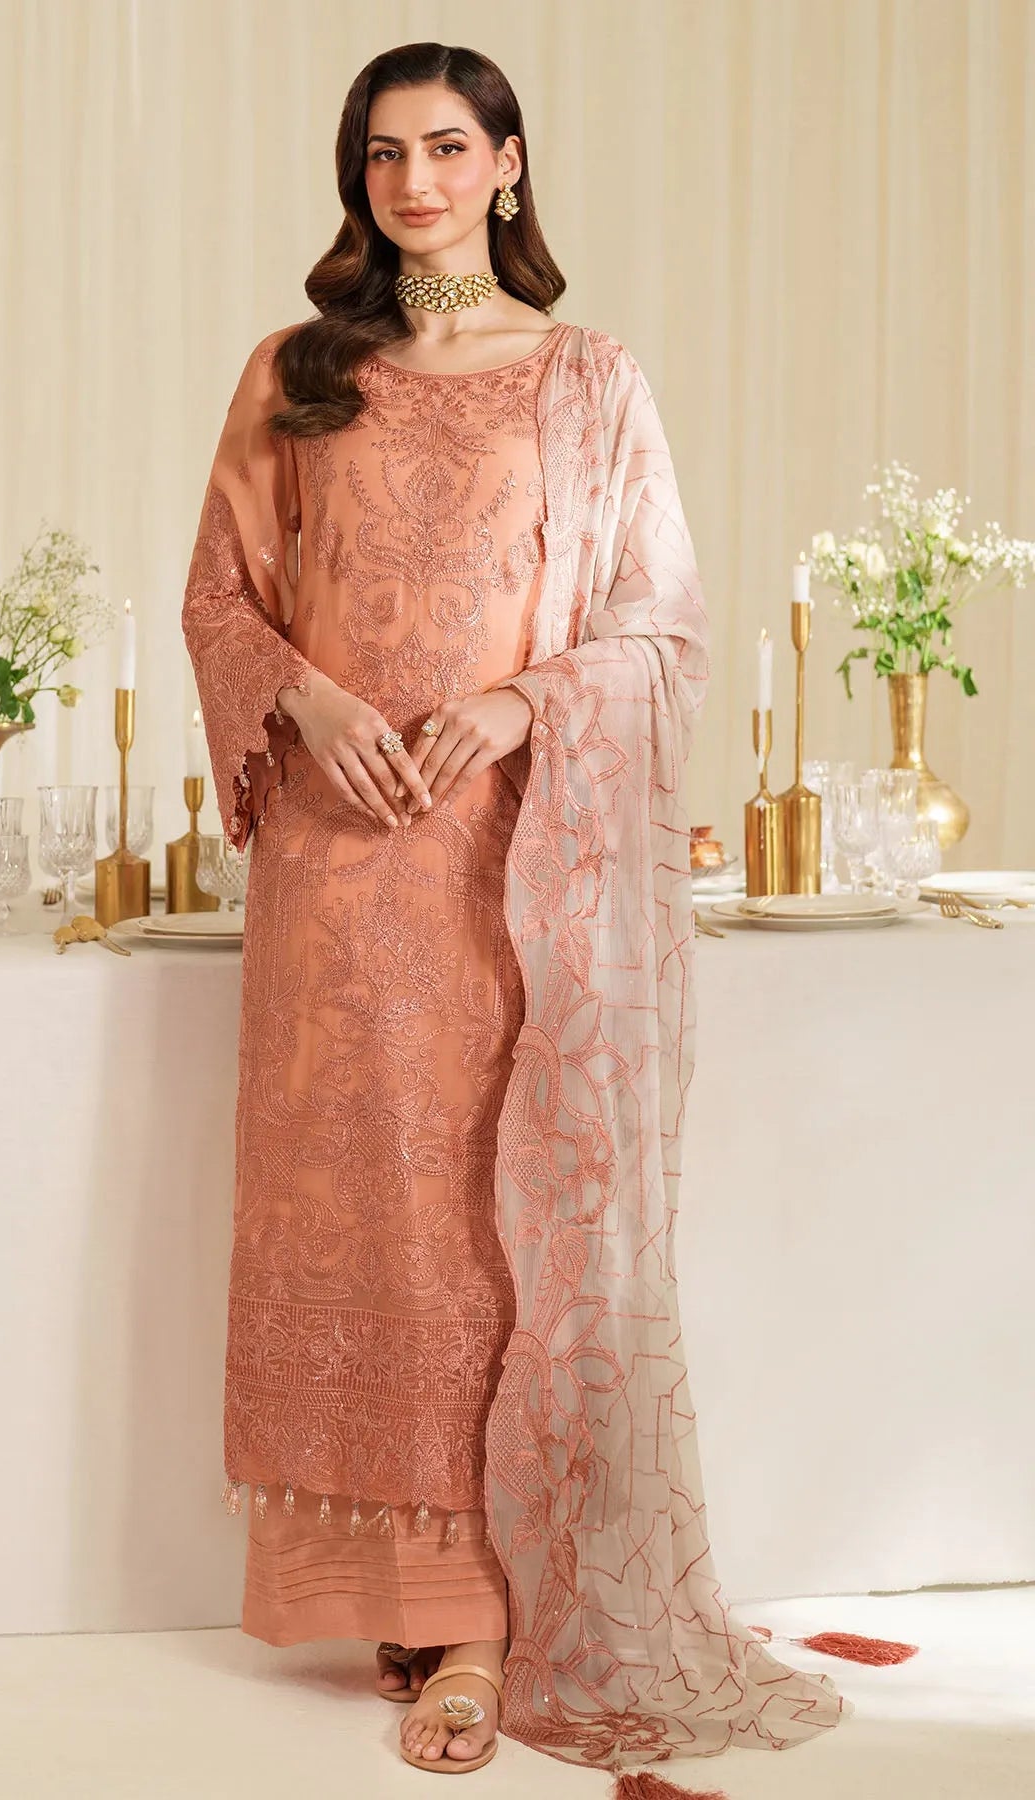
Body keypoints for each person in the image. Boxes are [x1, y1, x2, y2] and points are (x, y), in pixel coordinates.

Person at [181, 39, 848, 1790]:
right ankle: (404, 1587)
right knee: (367, 1220)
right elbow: (219, 597)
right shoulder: (296, 375)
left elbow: (659, 622)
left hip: (511, 868)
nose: (413, 181)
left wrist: (517, 701)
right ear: (361, 176)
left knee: (499, 1227)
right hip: (338, 866)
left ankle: (481, 1618)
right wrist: (310, 702)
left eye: (446, 147)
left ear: (508, 165)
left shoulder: (589, 382)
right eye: (385, 153)